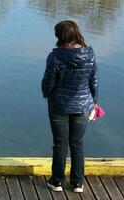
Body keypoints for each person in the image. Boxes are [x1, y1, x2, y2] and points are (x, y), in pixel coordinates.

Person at [41, 20, 98, 193]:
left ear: (61, 36)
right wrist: (93, 102)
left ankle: (57, 182)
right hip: (82, 107)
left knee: (60, 144)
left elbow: (48, 83)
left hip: (59, 106)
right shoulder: (90, 54)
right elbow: (93, 81)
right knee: (77, 143)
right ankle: (78, 183)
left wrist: (46, 93)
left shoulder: (56, 56)